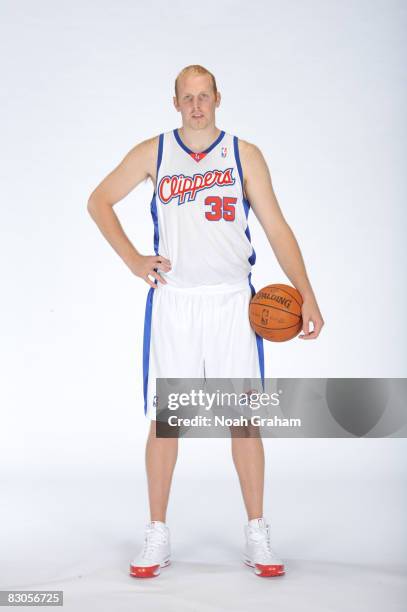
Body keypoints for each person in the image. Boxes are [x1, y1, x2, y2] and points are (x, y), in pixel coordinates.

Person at [87, 64, 324, 579]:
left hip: (233, 303)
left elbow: (277, 228)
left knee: (244, 420)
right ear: (175, 102)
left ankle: (257, 532)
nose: (196, 106)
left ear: (218, 98)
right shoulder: (154, 152)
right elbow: (98, 200)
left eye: (204, 96)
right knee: (168, 422)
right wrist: (133, 259)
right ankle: (157, 534)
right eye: (187, 98)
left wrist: (306, 294)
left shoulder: (244, 154)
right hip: (176, 302)